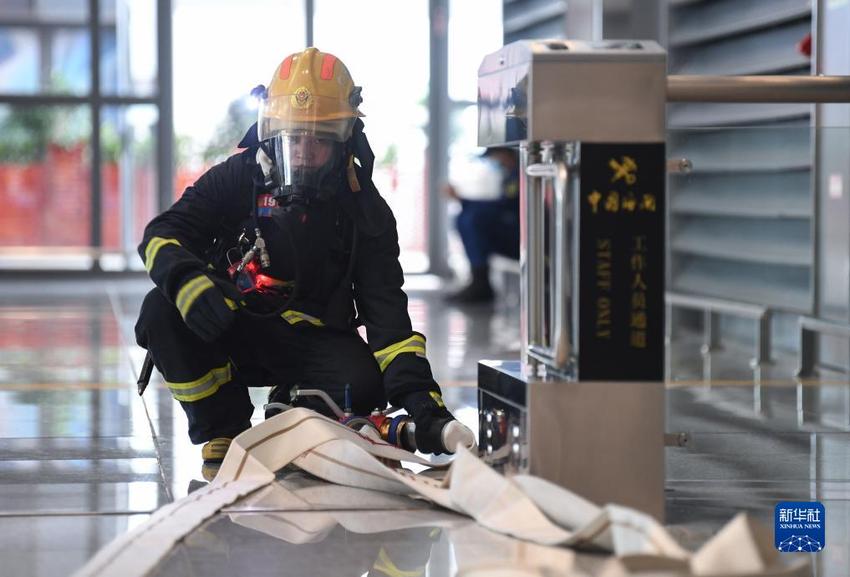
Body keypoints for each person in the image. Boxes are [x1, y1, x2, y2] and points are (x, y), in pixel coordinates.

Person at [134, 48, 474, 466]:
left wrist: (424, 402)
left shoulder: (365, 212)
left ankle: (295, 403)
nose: (302, 152)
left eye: (319, 140)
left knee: (365, 387)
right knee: (162, 310)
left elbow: (390, 325)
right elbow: (161, 233)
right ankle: (223, 428)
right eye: (294, 138)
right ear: (271, 132)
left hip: (315, 341)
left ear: (345, 140)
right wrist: (187, 281)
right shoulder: (238, 177)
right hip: (233, 324)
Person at [445, 147, 520, 304]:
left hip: (520, 234)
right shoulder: (509, 176)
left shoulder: (519, 175)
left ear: (505, 154)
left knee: (474, 219)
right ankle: (479, 279)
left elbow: (506, 206)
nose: (494, 162)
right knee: (465, 218)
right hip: (512, 230)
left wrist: (463, 200)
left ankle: (481, 283)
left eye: (494, 157)